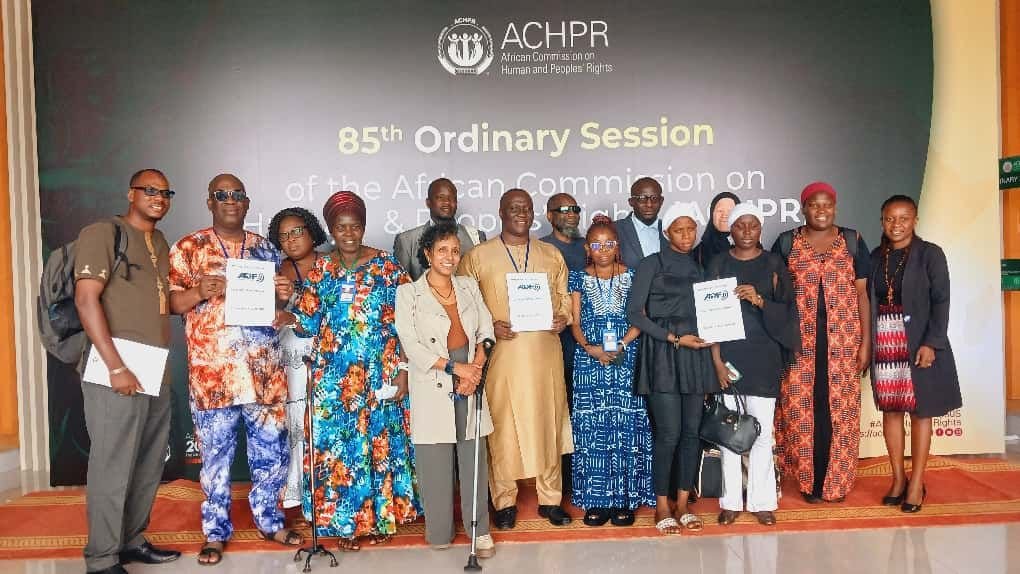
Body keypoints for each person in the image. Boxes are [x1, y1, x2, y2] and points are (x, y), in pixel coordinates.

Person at [168, 173, 300, 566]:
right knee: (215, 459)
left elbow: (280, 310)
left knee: (270, 455)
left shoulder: (265, 249)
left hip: (264, 374)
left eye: (237, 195)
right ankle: (214, 533)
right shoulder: (189, 247)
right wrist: (198, 292)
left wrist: (284, 294)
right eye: (222, 195)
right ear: (210, 201)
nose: (230, 200)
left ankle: (270, 520)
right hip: (214, 376)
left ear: (247, 203)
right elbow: (172, 304)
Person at [284, 190, 420, 551]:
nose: (348, 233)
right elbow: (308, 324)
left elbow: (408, 323)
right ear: (330, 230)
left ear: (363, 227)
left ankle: (379, 520)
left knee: (378, 446)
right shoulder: (322, 269)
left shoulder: (388, 267)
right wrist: (284, 313)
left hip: (380, 374)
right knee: (342, 451)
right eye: (340, 227)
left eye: (354, 226)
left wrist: (404, 370)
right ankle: (346, 524)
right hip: (334, 379)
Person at [74, 169, 180, 574]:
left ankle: (131, 541)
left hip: (155, 366)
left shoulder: (160, 242)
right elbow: (86, 301)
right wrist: (116, 365)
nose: (158, 197)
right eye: (149, 190)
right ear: (130, 193)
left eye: (165, 192)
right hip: (115, 364)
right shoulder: (104, 232)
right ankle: (101, 558)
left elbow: (165, 302)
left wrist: (202, 292)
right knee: (112, 464)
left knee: (147, 462)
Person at [458, 188, 574, 529]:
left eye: (526, 207)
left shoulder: (550, 254)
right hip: (502, 356)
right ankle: (504, 501)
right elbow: (465, 304)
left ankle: (550, 499)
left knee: (547, 419)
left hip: (544, 354)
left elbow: (564, 297)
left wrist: (563, 317)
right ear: (500, 211)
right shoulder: (479, 257)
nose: (521, 213)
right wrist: (488, 326)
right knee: (503, 425)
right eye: (513, 208)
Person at [394, 221, 496, 557]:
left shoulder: (467, 286)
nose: (450, 257)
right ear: (427, 253)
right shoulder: (408, 292)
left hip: (470, 379)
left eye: (454, 250)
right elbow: (411, 343)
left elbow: (485, 327)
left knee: (473, 458)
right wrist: (455, 368)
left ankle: (478, 532)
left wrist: (476, 366)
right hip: (434, 379)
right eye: (442, 250)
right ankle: (439, 530)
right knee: (435, 459)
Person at [771, 181, 872, 503]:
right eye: (814, 205)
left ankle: (836, 483)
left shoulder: (853, 241)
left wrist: (866, 343)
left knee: (838, 413)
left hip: (842, 346)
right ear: (804, 208)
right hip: (800, 347)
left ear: (835, 207)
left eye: (827, 204)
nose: (821, 210)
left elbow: (862, 295)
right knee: (802, 414)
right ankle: (808, 483)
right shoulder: (787, 243)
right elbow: (775, 296)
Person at [627, 202, 720, 534]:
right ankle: (662, 504)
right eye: (678, 230)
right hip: (664, 354)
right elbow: (636, 314)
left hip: (695, 356)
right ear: (666, 233)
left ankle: (683, 503)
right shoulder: (650, 265)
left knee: (691, 433)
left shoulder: (702, 268)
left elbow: (713, 313)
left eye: (691, 229)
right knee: (668, 434)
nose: (686, 235)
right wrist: (674, 338)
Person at [706, 203, 799, 527]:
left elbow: (789, 314)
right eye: (739, 226)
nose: (746, 231)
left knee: (762, 433)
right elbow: (709, 320)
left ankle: (761, 501)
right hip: (729, 360)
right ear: (729, 230)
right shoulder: (717, 263)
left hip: (764, 359)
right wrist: (716, 362)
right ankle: (731, 501)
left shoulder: (774, 263)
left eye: (753, 225)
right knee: (729, 432)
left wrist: (760, 300)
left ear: (760, 229)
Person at [870, 195, 961, 513]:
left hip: (918, 341)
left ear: (915, 220)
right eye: (890, 218)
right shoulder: (874, 257)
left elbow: (942, 300)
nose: (897, 225)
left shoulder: (930, 254)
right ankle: (897, 479)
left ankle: (917, 483)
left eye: (904, 218)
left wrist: (932, 343)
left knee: (921, 412)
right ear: (881, 220)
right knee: (891, 412)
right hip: (885, 339)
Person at [567, 215, 653, 527]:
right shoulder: (577, 277)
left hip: (625, 357)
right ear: (588, 249)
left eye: (609, 243)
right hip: (589, 361)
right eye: (596, 244)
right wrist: (590, 347)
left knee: (625, 425)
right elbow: (574, 321)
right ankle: (597, 501)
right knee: (592, 430)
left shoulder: (632, 275)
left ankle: (624, 499)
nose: (603, 249)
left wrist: (621, 345)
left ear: (617, 247)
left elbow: (640, 316)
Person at [266, 207, 329, 516]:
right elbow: (271, 316)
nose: (291, 240)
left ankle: (328, 492)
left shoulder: (331, 263)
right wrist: (281, 298)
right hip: (293, 357)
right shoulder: (277, 270)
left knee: (326, 423)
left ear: (312, 231)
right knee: (298, 424)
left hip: (329, 353)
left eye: (297, 232)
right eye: (284, 235)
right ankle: (301, 494)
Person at [540, 192, 586, 494]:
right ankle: (562, 479)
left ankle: (583, 473)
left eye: (575, 209)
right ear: (549, 215)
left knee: (583, 410)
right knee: (559, 410)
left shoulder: (590, 247)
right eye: (563, 209)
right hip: (552, 343)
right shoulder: (541, 249)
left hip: (589, 344)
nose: (571, 214)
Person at [393, 177, 485, 280]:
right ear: (428, 203)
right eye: (440, 197)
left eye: (452, 198)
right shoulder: (406, 240)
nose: (447, 202)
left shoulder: (476, 236)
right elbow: (399, 287)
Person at [615, 177, 670, 269]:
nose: (649, 204)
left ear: (661, 201)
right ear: (631, 202)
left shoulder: (671, 230)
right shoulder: (615, 229)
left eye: (654, 198)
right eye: (642, 198)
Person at [692, 192, 740, 267]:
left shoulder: (752, 249)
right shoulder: (698, 253)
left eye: (730, 211)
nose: (724, 215)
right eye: (720, 211)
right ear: (712, 214)